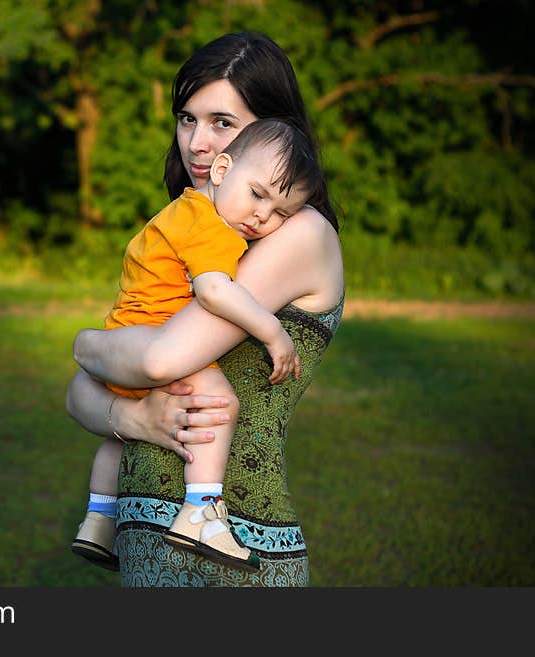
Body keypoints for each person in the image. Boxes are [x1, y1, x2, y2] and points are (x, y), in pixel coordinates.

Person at [66, 31, 344, 587]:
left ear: (273, 131)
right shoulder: (201, 232)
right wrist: (131, 418)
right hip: (150, 539)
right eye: (186, 119)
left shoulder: (299, 236)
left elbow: (158, 359)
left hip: (235, 550)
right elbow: (78, 396)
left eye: (221, 122)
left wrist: (87, 347)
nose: (196, 142)